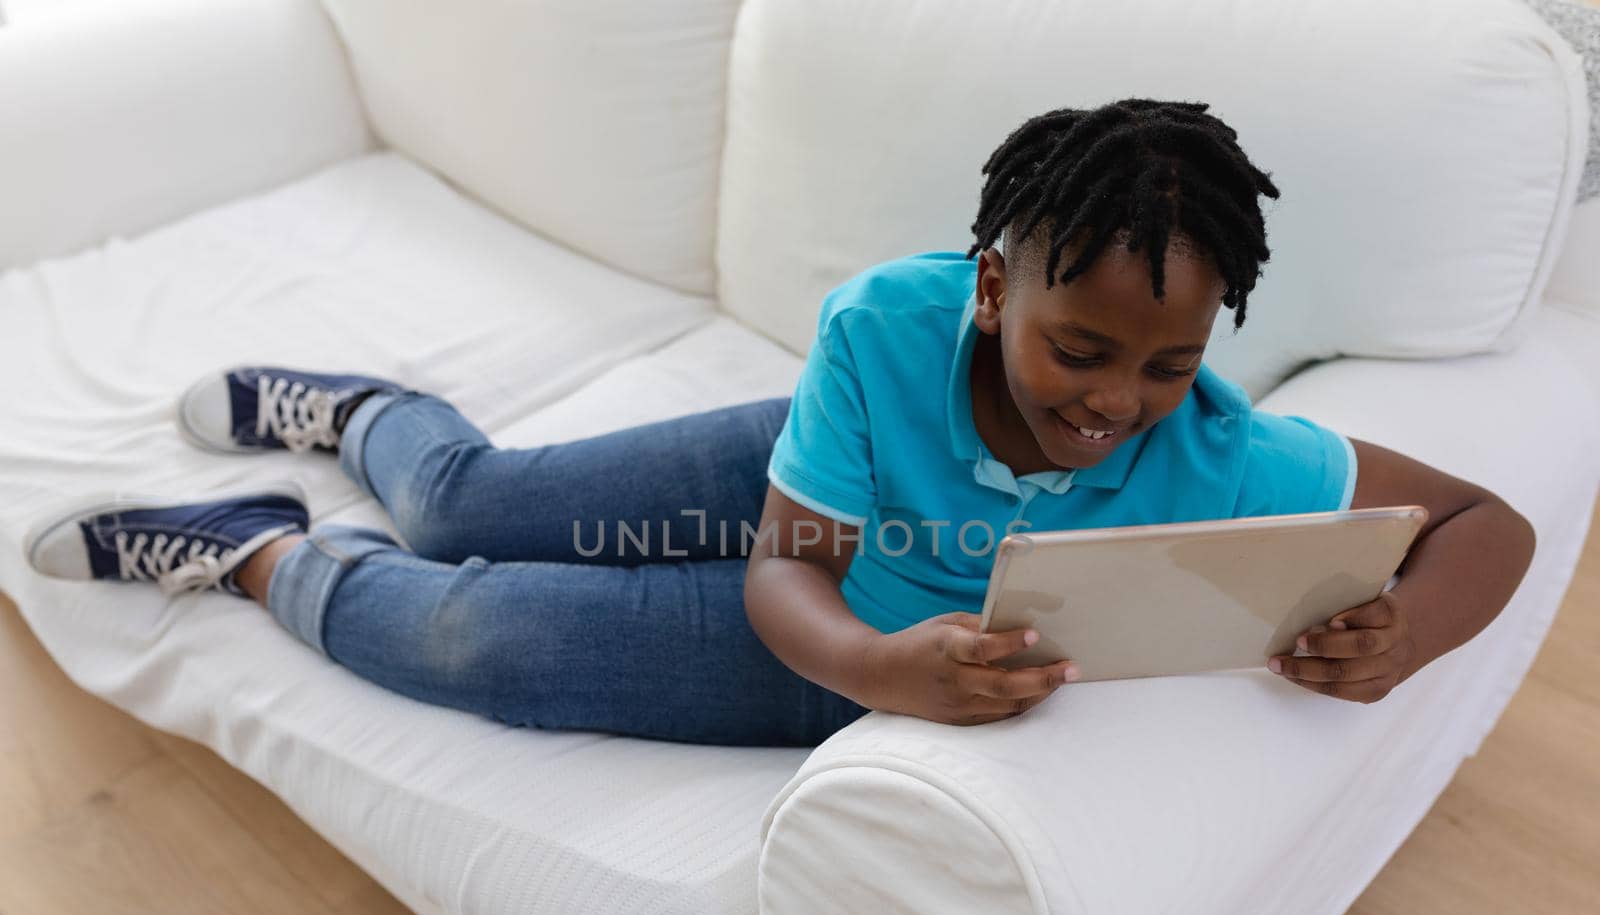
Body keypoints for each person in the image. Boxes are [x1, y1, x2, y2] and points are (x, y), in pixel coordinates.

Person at [24, 98, 1537, 743]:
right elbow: (781, 570)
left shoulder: (1213, 446)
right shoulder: (890, 325)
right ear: (993, 290)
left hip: (886, 664)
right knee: (464, 509)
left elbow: (1491, 524)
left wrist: (1407, 633)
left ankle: (253, 559)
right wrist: (873, 652)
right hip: (827, 536)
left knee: (471, 641)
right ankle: (373, 419)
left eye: (1165, 362)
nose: (1118, 403)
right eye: (1084, 349)